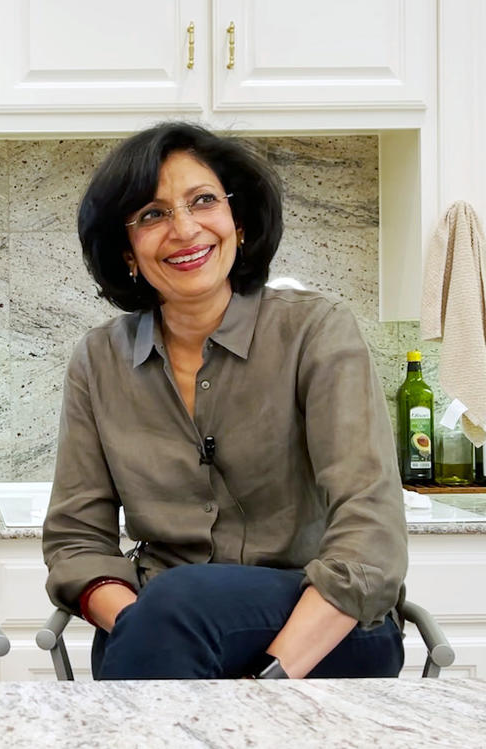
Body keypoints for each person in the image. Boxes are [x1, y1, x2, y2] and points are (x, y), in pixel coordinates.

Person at [42, 122, 408, 680]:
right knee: (175, 603)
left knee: (178, 602)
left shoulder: (317, 331)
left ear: (238, 223)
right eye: (151, 214)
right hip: (155, 631)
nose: (184, 229)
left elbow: (370, 530)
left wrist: (267, 679)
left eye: (203, 201)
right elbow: (76, 541)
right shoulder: (98, 359)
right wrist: (148, 624)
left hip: (325, 627)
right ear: (128, 252)